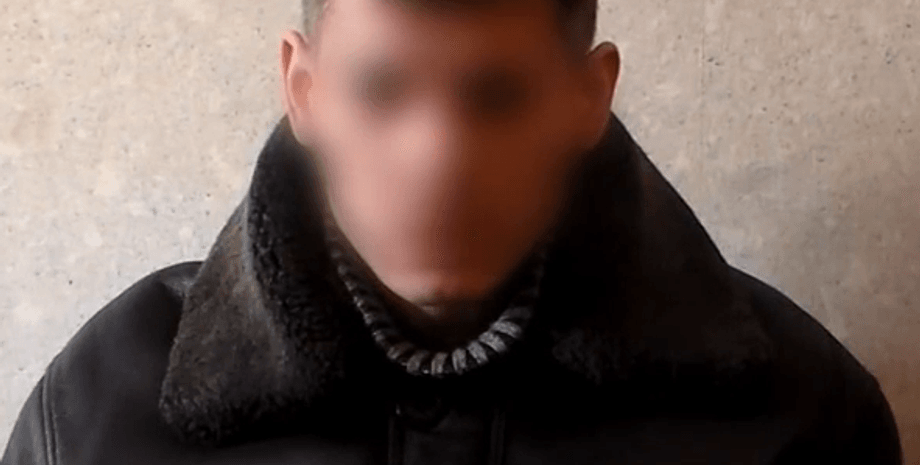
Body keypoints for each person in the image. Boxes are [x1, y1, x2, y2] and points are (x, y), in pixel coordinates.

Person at [1, 0, 903, 463]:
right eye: (381, 89)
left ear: (588, 97)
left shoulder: (800, 415)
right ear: (305, 91)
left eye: (496, 95)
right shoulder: (98, 408)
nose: (439, 156)